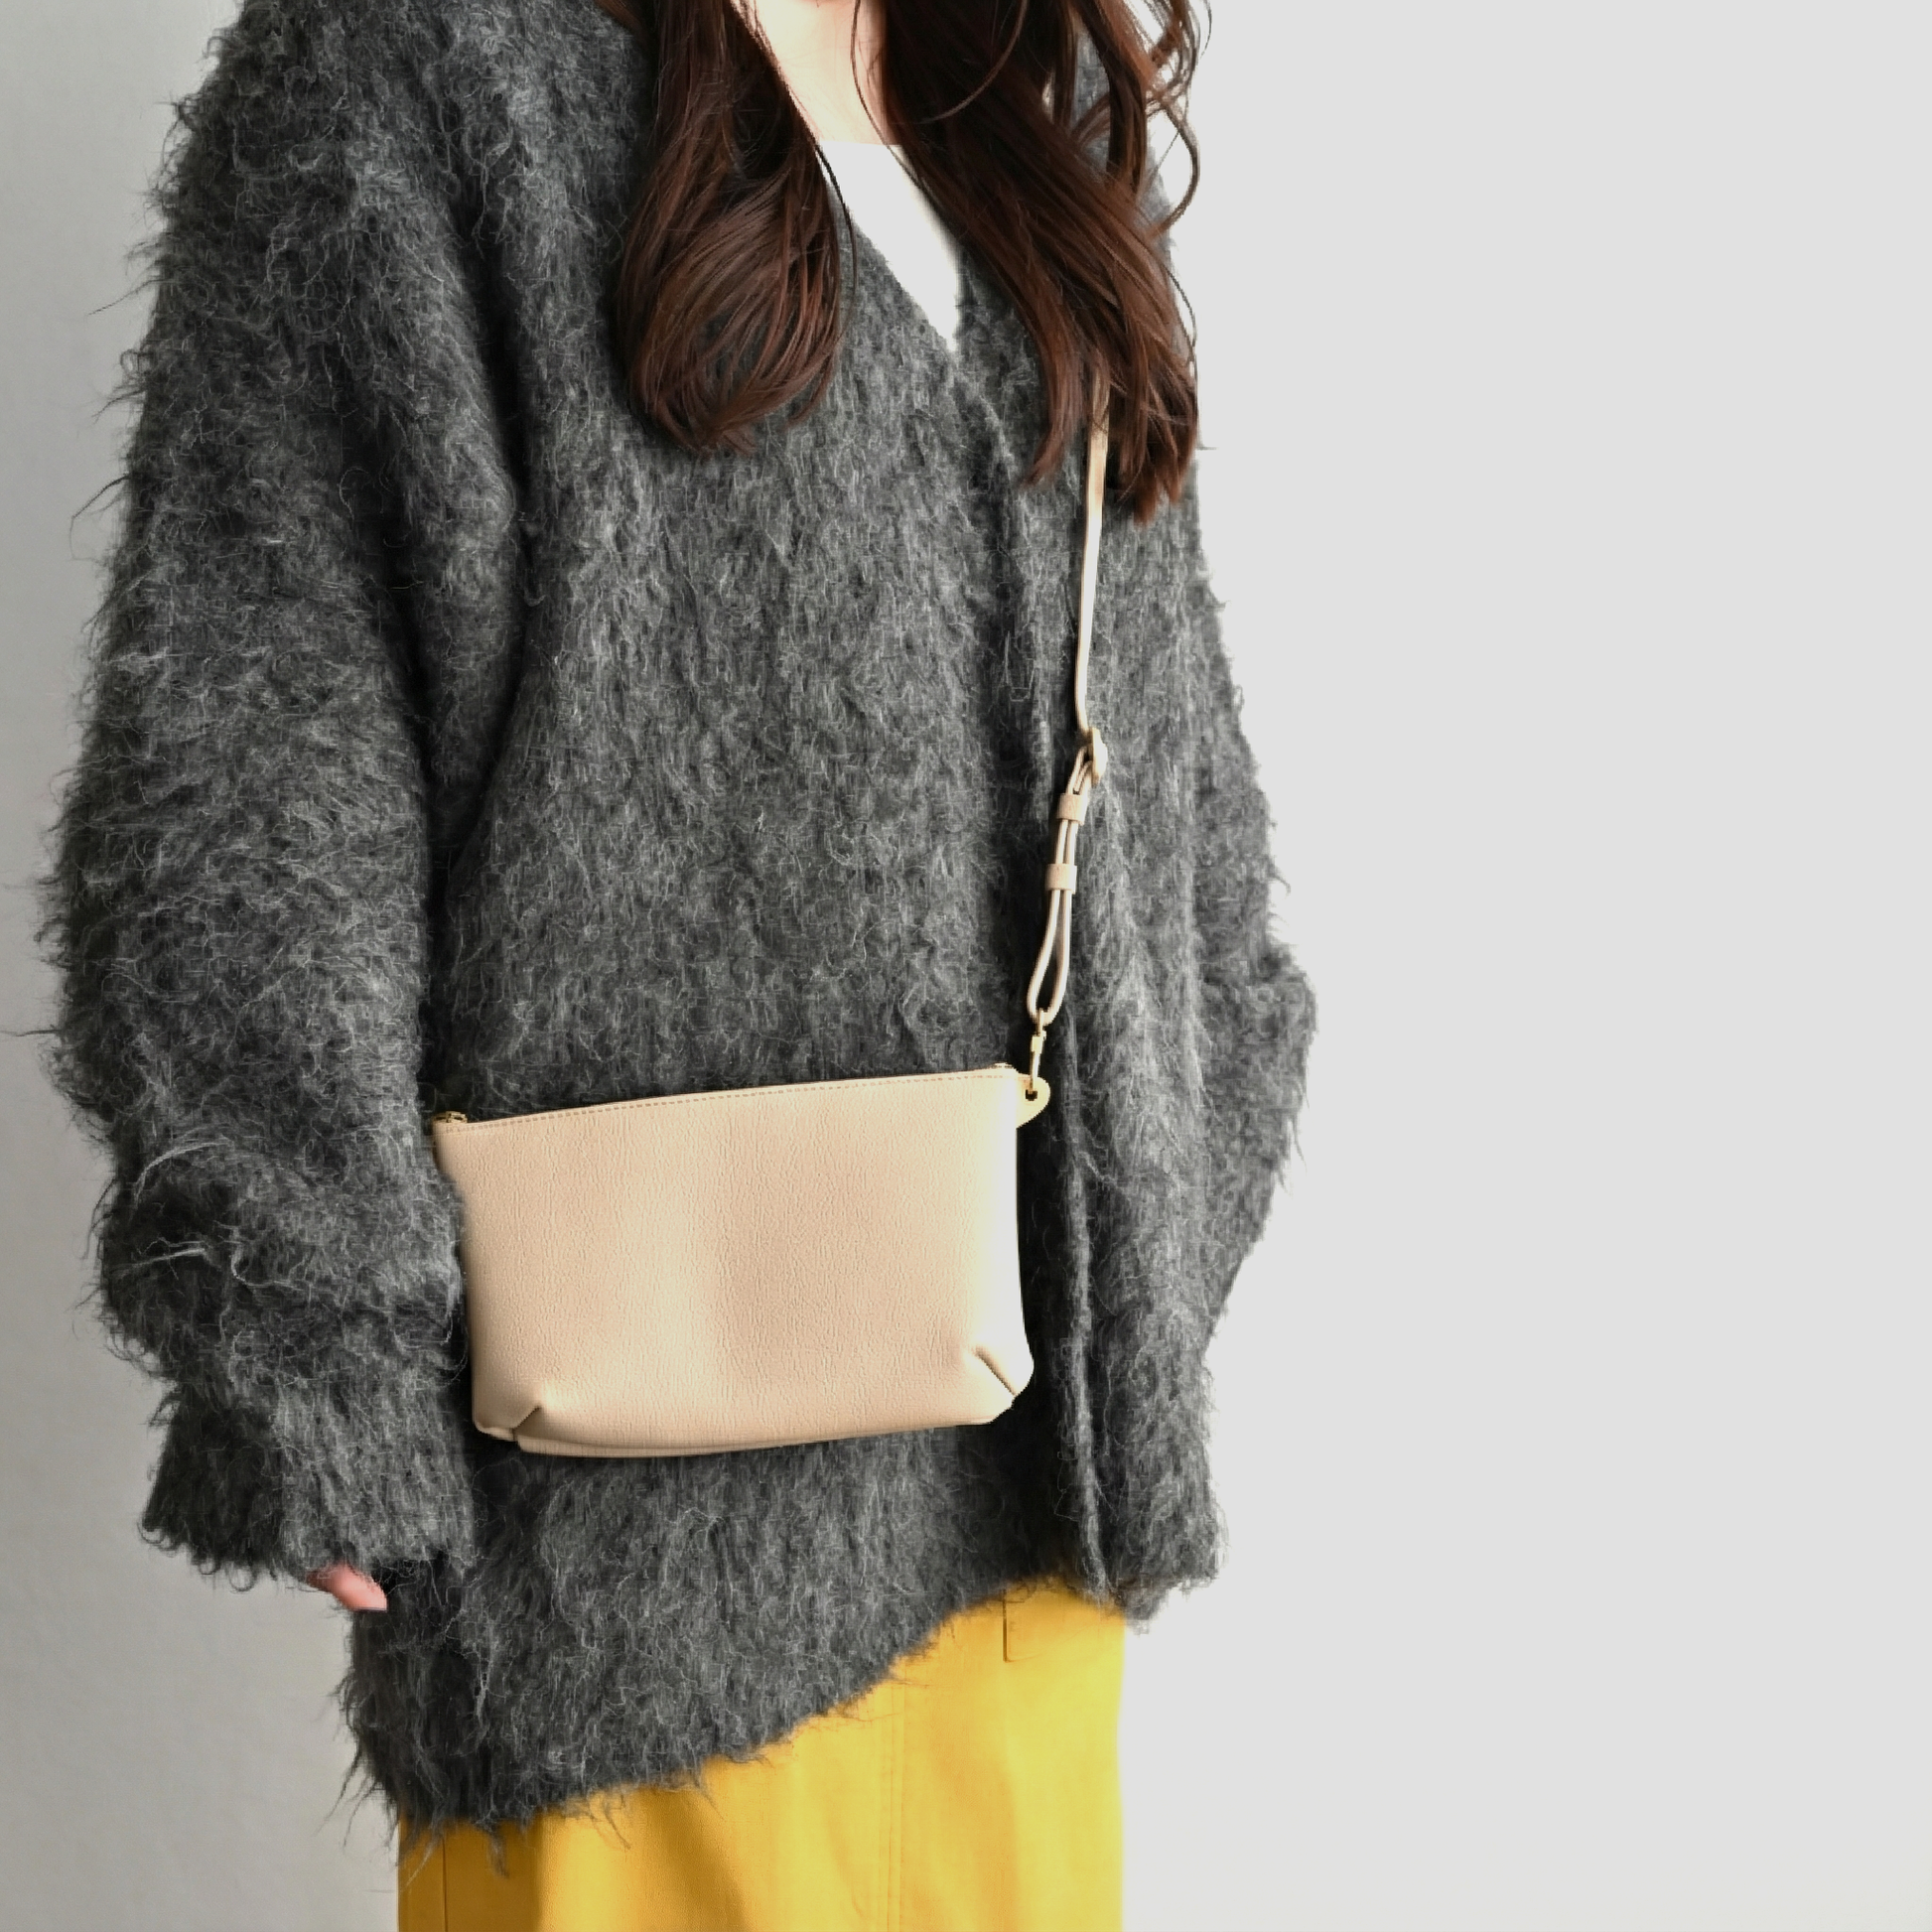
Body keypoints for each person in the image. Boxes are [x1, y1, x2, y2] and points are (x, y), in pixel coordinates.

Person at [41, 0, 1313, 1923]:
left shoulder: (1013, 78)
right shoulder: (415, 67)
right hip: (618, 1585)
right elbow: (259, 755)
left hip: (1027, 1537)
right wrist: (311, 1342)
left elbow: (1166, 739)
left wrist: (1181, 1180)